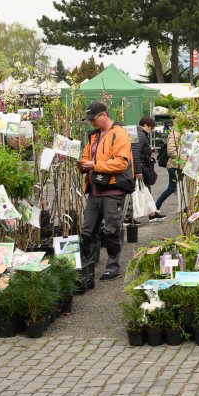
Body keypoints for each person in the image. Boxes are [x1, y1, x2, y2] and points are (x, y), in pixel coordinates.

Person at [79, 102, 133, 281]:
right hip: (95, 189)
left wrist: (95, 165)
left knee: (111, 230)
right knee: (87, 230)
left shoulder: (119, 134)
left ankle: (113, 267)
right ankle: (89, 263)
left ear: (104, 115)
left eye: (93, 119)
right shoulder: (94, 136)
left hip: (112, 190)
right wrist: (83, 164)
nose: (92, 122)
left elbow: (121, 163)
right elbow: (86, 156)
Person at [154, 125, 181, 213]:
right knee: (171, 188)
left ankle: (184, 208)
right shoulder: (174, 134)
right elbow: (171, 152)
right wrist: (185, 158)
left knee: (180, 187)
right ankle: (156, 206)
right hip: (174, 166)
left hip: (178, 165)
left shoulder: (177, 133)